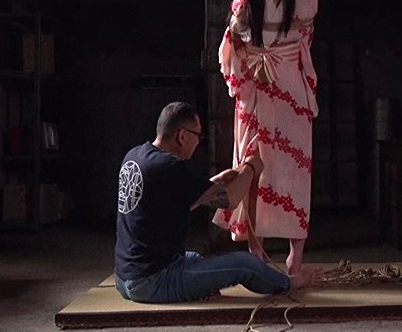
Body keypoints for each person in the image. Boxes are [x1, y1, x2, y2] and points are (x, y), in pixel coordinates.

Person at [115, 101, 320, 303]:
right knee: (245, 264)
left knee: (194, 258)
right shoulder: (169, 166)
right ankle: (290, 283)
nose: (198, 142)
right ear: (182, 136)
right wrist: (251, 167)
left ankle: (197, 287)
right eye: (198, 135)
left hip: (126, 278)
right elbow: (229, 200)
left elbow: (185, 199)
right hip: (154, 281)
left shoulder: (136, 156)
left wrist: (219, 180)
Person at [212, 0, 319, 277]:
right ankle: (255, 249)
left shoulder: (304, 0)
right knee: (252, 170)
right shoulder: (245, 4)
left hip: (291, 93)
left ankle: (295, 257)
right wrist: (248, 68)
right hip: (256, 92)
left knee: (295, 171)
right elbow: (231, 47)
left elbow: (305, 41)